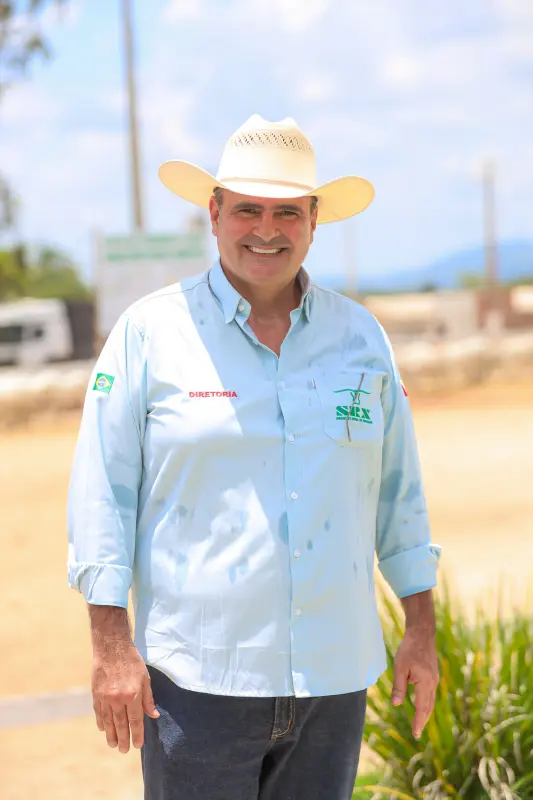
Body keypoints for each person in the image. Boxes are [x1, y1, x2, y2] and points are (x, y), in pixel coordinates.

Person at [67, 114, 441, 800]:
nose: (265, 229)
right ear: (213, 214)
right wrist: (111, 649)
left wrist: (419, 631)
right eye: (246, 210)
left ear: (313, 221)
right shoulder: (149, 334)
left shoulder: (361, 339)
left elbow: (399, 498)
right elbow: (102, 498)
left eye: (285, 213)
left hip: (333, 679)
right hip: (197, 684)